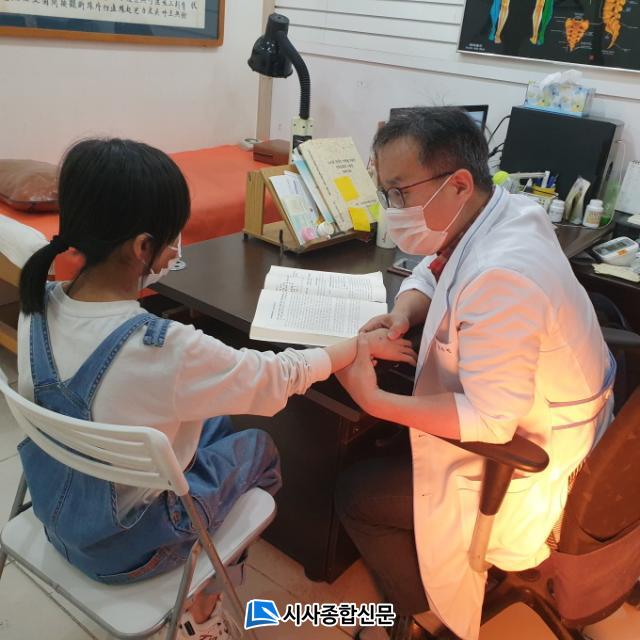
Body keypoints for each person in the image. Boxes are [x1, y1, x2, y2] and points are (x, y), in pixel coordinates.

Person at [16, 138, 417, 640]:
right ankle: (203, 608)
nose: (177, 248)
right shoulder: (163, 347)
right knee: (259, 448)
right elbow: (278, 377)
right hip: (128, 549)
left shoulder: (36, 305)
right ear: (142, 248)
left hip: (59, 518)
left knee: (215, 422)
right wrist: (355, 346)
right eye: (173, 236)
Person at [334, 107, 615, 640]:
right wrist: (404, 312)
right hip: (567, 413)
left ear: (459, 184)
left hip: (528, 464)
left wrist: (374, 402)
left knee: (357, 493)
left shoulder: (502, 277)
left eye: (399, 193)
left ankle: (416, 618)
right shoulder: (501, 209)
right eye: (385, 192)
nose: (392, 209)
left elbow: (490, 420)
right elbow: (434, 264)